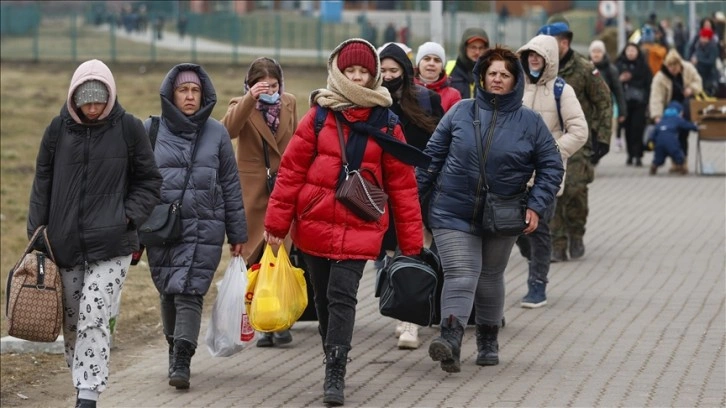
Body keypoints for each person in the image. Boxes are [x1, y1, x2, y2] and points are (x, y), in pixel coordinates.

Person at [263, 38, 429, 406]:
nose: (357, 77)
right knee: (323, 298)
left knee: (343, 296)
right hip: (314, 222)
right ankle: (331, 352)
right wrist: (276, 224)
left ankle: (335, 370)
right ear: (339, 71)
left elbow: (403, 186)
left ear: (373, 77)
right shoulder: (319, 115)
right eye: (350, 70)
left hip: (360, 225)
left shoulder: (386, 121)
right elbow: (290, 172)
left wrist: (411, 243)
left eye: (364, 72)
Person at [418, 45, 563, 373]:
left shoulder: (531, 122)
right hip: (452, 210)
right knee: (461, 273)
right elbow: (430, 160)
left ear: (516, 81)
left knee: (490, 277)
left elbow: (552, 166)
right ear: (481, 77)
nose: (497, 79)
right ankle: (450, 340)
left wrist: (536, 206)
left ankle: (487, 339)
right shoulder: (459, 112)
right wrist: (413, 202)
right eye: (492, 73)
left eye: (505, 75)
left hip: (504, 213)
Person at [27, 59, 162, 408]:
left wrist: (128, 217)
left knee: (93, 314)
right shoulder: (56, 131)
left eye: (98, 100)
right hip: (65, 243)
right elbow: (42, 184)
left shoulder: (129, 129)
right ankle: (82, 380)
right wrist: (37, 238)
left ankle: (87, 395)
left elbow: (149, 180)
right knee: (72, 322)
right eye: (85, 100)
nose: (92, 108)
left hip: (113, 243)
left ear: (110, 96)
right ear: (74, 98)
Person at [145, 64, 248, 390]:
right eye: (183, 90)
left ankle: (182, 360)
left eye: (195, 91)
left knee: (189, 290)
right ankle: (175, 346)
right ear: (170, 94)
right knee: (168, 290)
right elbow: (137, 182)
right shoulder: (152, 130)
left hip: (204, 225)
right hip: (162, 226)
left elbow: (231, 184)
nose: (190, 96)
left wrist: (238, 234)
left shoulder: (216, 132)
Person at [220, 57, 298, 348]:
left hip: (283, 187)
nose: (270, 91)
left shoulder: (289, 102)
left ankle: (281, 321)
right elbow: (227, 130)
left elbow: (297, 141)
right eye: (261, 86)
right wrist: (249, 100)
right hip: (252, 189)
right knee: (255, 255)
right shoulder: (239, 104)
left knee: (281, 254)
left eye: (274, 85)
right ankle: (262, 321)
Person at [377, 42, 444, 350]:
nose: (389, 76)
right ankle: (399, 311)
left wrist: (429, 177)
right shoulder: (373, 101)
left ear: (405, 71)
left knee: (415, 252)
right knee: (391, 256)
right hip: (383, 191)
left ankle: (411, 324)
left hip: (420, 189)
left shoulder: (428, 100)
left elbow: (442, 144)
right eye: (384, 71)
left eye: (394, 70)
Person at [515, 35, 588, 308]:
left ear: (550, 59)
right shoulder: (517, 86)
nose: (533, 59)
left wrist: (551, 153)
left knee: (539, 229)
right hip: (516, 173)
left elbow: (579, 131)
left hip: (546, 175)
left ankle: (537, 285)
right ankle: (533, 258)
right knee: (518, 231)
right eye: (529, 54)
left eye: (539, 55)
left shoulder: (561, 90)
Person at [537, 18, 612, 262]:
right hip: (549, 140)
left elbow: (603, 101)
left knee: (575, 190)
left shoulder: (584, 68)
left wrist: (603, 137)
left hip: (579, 139)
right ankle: (557, 243)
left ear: (565, 43)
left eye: (552, 43)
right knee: (553, 191)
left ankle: (576, 232)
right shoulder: (541, 69)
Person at [649, 49, 703, 173]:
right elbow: (656, 97)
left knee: (684, 134)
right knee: (670, 136)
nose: (673, 70)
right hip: (669, 110)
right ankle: (675, 163)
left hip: (685, 107)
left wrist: (691, 89)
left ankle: (682, 162)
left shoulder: (688, 68)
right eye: (670, 67)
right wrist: (657, 116)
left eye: (675, 67)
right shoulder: (660, 77)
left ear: (680, 65)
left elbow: (698, 82)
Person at [616, 42, 653, 167]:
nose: (631, 53)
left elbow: (649, 84)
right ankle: (630, 154)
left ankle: (638, 155)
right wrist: (621, 79)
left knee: (638, 128)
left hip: (640, 102)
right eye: (629, 50)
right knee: (628, 129)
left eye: (633, 50)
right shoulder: (619, 65)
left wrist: (648, 101)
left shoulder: (643, 66)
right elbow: (614, 85)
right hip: (625, 103)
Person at [589, 40, 627, 161]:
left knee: (601, 137)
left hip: (604, 108)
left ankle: (595, 157)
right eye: (594, 51)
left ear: (603, 53)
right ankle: (590, 160)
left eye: (599, 51)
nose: (596, 54)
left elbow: (618, 91)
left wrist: (622, 111)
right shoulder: (585, 67)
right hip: (588, 107)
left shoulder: (611, 70)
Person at [648, 101, 698, 175]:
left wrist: (651, 140)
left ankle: (654, 166)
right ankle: (682, 168)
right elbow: (687, 125)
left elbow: (654, 132)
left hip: (659, 142)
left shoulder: (661, 120)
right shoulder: (677, 119)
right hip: (671, 141)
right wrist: (695, 127)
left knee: (659, 157)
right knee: (677, 154)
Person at [414, 41, 462, 112]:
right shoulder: (406, 89)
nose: (431, 63)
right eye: (427, 59)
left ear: (442, 67)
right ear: (418, 63)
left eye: (437, 60)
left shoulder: (453, 95)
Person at [448, 28, 490, 99]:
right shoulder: (449, 68)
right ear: (464, 48)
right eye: (473, 47)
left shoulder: (491, 71)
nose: (477, 52)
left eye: (481, 48)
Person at [691, 27, 720, 96]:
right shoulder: (699, 46)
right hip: (700, 75)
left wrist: (699, 61)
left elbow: (711, 61)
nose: (701, 38)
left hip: (709, 77)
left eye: (703, 36)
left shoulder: (713, 47)